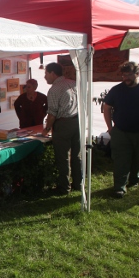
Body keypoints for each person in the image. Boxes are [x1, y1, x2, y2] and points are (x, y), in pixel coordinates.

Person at [103, 61, 139, 198]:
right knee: (121, 160)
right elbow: (107, 107)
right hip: (121, 132)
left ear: (137, 73)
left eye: (128, 75)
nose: (125, 78)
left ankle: (135, 179)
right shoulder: (116, 90)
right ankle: (120, 187)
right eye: (123, 75)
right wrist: (110, 127)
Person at [42, 62, 82, 194]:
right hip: (77, 121)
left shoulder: (54, 89)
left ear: (53, 73)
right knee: (77, 155)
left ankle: (64, 187)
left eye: (46, 73)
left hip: (64, 123)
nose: (45, 76)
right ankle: (78, 183)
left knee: (63, 157)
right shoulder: (73, 82)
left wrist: (46, 129)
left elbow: (52, 113)